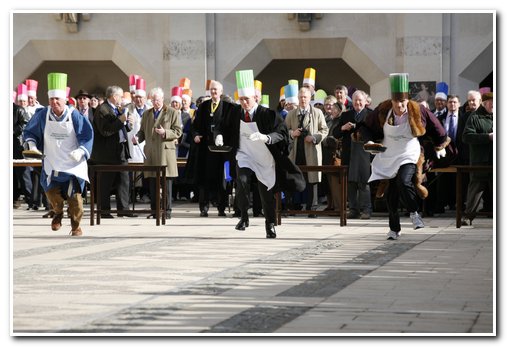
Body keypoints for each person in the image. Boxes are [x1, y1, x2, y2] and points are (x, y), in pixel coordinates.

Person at [215, 69, 304, 238]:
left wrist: (266, 137)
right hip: (244, 155)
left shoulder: (268, 114)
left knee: (266, 193)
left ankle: (269, 224)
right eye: (241, 99)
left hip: (264, 157)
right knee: (242, 181)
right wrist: (218, 135)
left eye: (246, 99)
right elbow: (220, 125)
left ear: (255, 98)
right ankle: (243, 217)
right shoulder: (234, 112)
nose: (244, 103)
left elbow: (282, 133)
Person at [360, 73, 448, 240]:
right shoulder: (383, 109)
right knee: (391, 194)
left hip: (409, 153)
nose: (400, 106)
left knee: (404, 180)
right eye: (396, 103)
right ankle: (394, 229)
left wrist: (440, 143)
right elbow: (365, 127)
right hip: (389, 155)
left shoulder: (417, 109)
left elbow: (436, 126)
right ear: (391, 101)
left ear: (407, 101)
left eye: (403, 102)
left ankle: (414, 213)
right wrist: (370, 141)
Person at [23, 72, 93, 236]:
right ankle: (58, 212)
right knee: (51, 194)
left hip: (72, 163)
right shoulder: (42, 114)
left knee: (75, 199)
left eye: (57, 100)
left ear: (65, 100)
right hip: (52, 162)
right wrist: (32, 144)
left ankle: (76, 226)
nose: (54, 103)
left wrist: (81, 150)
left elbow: (87, 134)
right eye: (51, 99)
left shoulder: (74, 115)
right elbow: (30, 132)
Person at [133, 87, 182, 219]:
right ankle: (154, 210)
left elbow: (178, 131)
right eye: (153, 100)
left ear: (162, 99)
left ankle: (167, 211)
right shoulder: (147, 114)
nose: (156, 102)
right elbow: (142, 131)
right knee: (152, 182)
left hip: (165, 152)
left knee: (166, 183)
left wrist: (165, 132)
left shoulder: (172, 112)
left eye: (158, 100)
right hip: (151, 152)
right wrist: (137, 137)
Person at [186, 80, 233, 217]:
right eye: (211, 89)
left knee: (222, 180)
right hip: (206, 151)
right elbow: (195, 127)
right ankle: (204, 207)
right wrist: (195, 135)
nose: (213, 92)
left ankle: (221, 207)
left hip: (222, 151)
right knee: (205, 180)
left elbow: (231, 127)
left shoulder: (227, 107)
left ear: (221, 92)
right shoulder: (203, 106)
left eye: (216, 90)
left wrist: (224, 137)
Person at [90, 85, 137, 218]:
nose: (122, 99)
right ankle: (104, 211)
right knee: (105, 183)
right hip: (106, 154)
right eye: (121, 96)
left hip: (120, 150)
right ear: (114, 96)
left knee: (124, 180)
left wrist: (128, 124)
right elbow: (105, 130)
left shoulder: (116, 108)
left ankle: (124, 209)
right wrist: (120, 121)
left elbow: (120, 129)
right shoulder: (102, 109)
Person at [285, 87, 329, 217]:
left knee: (312, 179)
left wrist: (315, 137)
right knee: (293, 178)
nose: (303, 99)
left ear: (310, 99)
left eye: (305, 97)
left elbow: (324, 130)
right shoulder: (291, 114)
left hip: (311, 151)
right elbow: (283, 130)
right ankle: (291, 207)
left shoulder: (317, 113)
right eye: (301, 97)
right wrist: (292, 133)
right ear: (297, 99)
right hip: (296, 151)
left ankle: (312, 208)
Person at [333, 90, 372, 219]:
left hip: (364, 154)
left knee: (364, 182)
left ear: (365, 101)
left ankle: (366, 210)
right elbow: (335, 133)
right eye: (355, 100)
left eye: (360, 100)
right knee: (350, 183)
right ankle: (354, 210)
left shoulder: (370, 115)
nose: (358, 102)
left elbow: (375, 132)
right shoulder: (345, 115)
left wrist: (357, 127)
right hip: (348, 153)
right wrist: (343, 128)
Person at [461, 92, 493, 226]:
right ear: (484, 103)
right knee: (475, 190)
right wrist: (487, 137)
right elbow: (466, 137)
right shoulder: (475, 117)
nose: (493, 106)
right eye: (491, 103)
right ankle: (468, 217)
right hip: (480, 161)